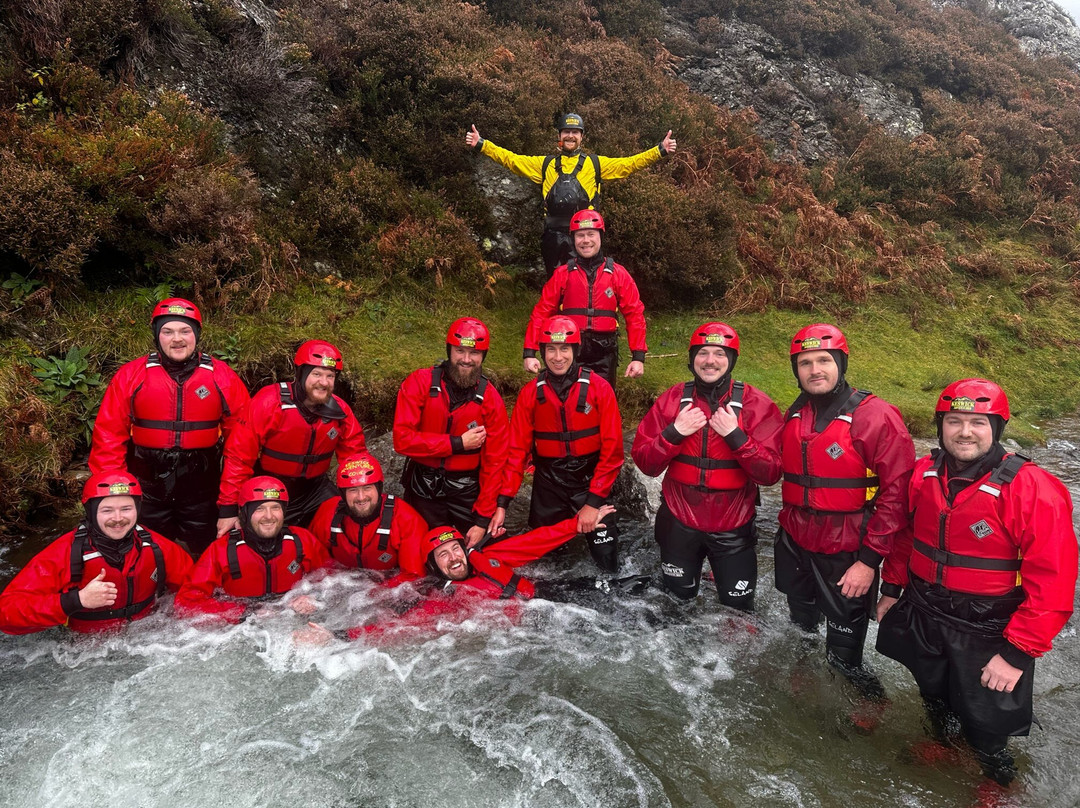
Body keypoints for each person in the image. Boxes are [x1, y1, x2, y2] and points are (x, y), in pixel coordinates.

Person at [876, 379, 1078, 786]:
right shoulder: (923, 473)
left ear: (996, 428)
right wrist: (891, 589)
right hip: (927, 607)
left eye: (978, 422)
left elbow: (1054, 581)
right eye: (954, 421)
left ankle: (998, 782)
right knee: (933, 694)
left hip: (990, 624)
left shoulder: (1032, 488)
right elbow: (905, 536)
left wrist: (1018, 653)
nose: (965, 431)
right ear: (941, 426)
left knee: (987, 723)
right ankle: (943, 744)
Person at [774, 323, 915, 698]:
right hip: (795, 542)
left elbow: (897, 497)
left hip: (846, 552)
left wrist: (868, 562)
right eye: (805, 362)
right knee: (799, 630)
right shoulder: (797, 410)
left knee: (843, 655)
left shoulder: (877, 416)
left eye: (824, 360)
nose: (815, 369)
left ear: (841, 363)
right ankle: (802, 685)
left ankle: (871, 700)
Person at [632, 322, 783, 609]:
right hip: (678, 522)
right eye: (703, 353)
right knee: (676, 604)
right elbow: (645, 463)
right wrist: (674, 432)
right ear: (692, 359)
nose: (710, 361)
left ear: (731, 360)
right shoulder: (673, 400)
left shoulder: (757, 405)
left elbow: (771, 473)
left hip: (733, 527)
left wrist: (737, 438)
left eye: (719, 354)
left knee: (737, 613)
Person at [90, 298, 250, 555]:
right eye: (168, 331)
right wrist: (115, 494)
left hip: (202, 489)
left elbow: (242, 446)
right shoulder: (131, 375)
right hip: (147, 487)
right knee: (147, 555)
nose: (177, 339)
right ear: (157, 336)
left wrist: (230, 504)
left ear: (196, 335)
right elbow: (108, 437)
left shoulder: (223, 378)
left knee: (208, 556)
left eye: (185, 331)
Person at [465, 112, 677, 274]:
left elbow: (629, 164)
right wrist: (482, 145)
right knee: (556, 280)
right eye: (566, 131)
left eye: (575, 132)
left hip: (586, 234)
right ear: (559, 136)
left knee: (587, 280)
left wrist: (659, 150)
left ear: (581, 137)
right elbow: (511, 159)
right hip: (553, 235)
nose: (570, 136)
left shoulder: (595, 164)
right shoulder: (545, 164)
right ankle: (557, 326)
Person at [491, 316, 624, 572]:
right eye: (551, 349)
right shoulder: (530, 394)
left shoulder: (599, 388)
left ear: (575, 350)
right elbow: (516, 452)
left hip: (589, 479)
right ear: (542, 352)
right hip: (548, 483)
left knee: (608, 565)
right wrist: (502, 503)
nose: (558, 357)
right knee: (548, 569)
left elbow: (613, 451)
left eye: (564, 349)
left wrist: (592, 503)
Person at [0, 472, 192, 634]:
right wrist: (76, 600)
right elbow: (6, 611)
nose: (118, 519)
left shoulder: (157, 546)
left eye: (126, 509)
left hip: (149, 641)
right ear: (91, 512)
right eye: (107, 510)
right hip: (82, 651)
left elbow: (194, 589)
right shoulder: (64, 553)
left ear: (138, 510)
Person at [216, 340, 366, 533]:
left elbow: (355, 460)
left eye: (330, 376)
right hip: (270, 486)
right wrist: (228, 509)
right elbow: (239, 456)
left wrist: (361, 499)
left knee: (349, 525)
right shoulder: (270, 402)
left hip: (316, 489)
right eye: (317, 374)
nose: (324, 382)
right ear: (301, 374)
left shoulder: (340, 411)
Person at [393, 317, 510, 547]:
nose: (466, 359)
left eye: (474, 353)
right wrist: (457, 444)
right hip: (423, 486)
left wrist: (482, 518)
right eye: (460, 351)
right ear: (449, 351)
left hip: (466, 488)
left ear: (483, 356)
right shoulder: (419, 382)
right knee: (421, 551)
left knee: (491, 548)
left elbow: (495, 462)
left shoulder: (491, 399)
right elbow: (402, 440)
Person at [176, 476, 328, 622]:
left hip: (292, 620)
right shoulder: (220, 550)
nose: (269, 516)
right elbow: (186, 603)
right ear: (245, 513)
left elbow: (334, 581)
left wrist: (314, 596)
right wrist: (244, 613)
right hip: (241, 627)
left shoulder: (303, 540)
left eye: (275, 507)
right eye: (260, 509)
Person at [522, 210, 647, 388]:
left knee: (602, 402)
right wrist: (529, 352)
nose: (585, 240)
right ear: (573, 239)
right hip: (570, 350)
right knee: (567, 401)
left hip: (604, 353)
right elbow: (542, 312)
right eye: (580, 235)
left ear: (600, 237)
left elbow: (635, 315)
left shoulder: (618, 274)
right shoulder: (562, 274)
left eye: (591, 234)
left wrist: (638, 357)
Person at [308, 451, 428, 572]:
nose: (361, 497)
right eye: (353, 490)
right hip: (342, 581)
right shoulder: (327, 513)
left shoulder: (407, 519)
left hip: (389, 585)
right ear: (343, 494)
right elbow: (315, 567)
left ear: (379, 488)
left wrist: (375, 591)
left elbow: (413, 576)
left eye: (367, 488)